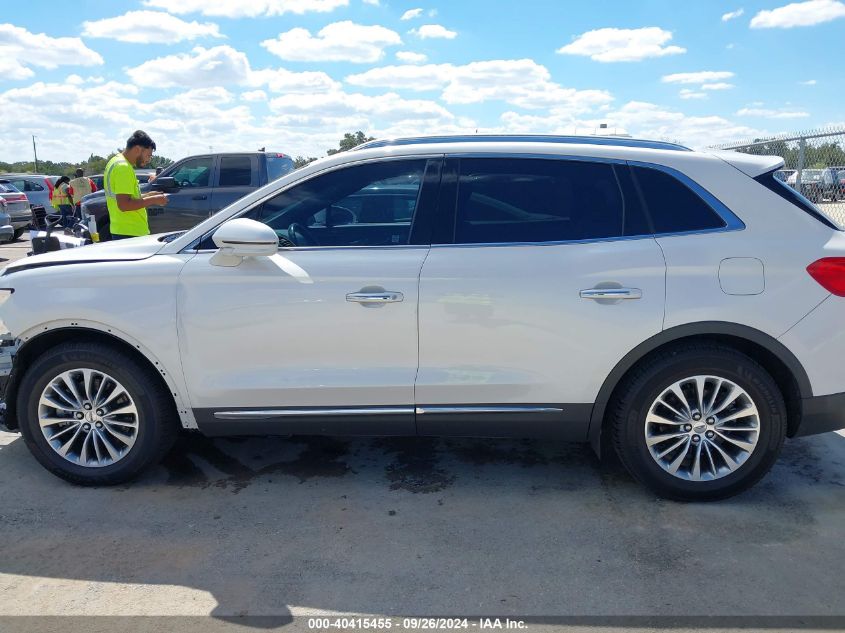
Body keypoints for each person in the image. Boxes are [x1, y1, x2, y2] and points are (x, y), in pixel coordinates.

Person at [104, 130, 169, 240]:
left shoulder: (115, 161)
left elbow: (125, 198)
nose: (148, 160)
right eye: (148, 155)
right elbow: (124, 205)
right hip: (130, 232)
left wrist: (147, 195)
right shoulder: (123, 168)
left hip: (122, 229)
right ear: (138, 149)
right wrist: (154, 199)